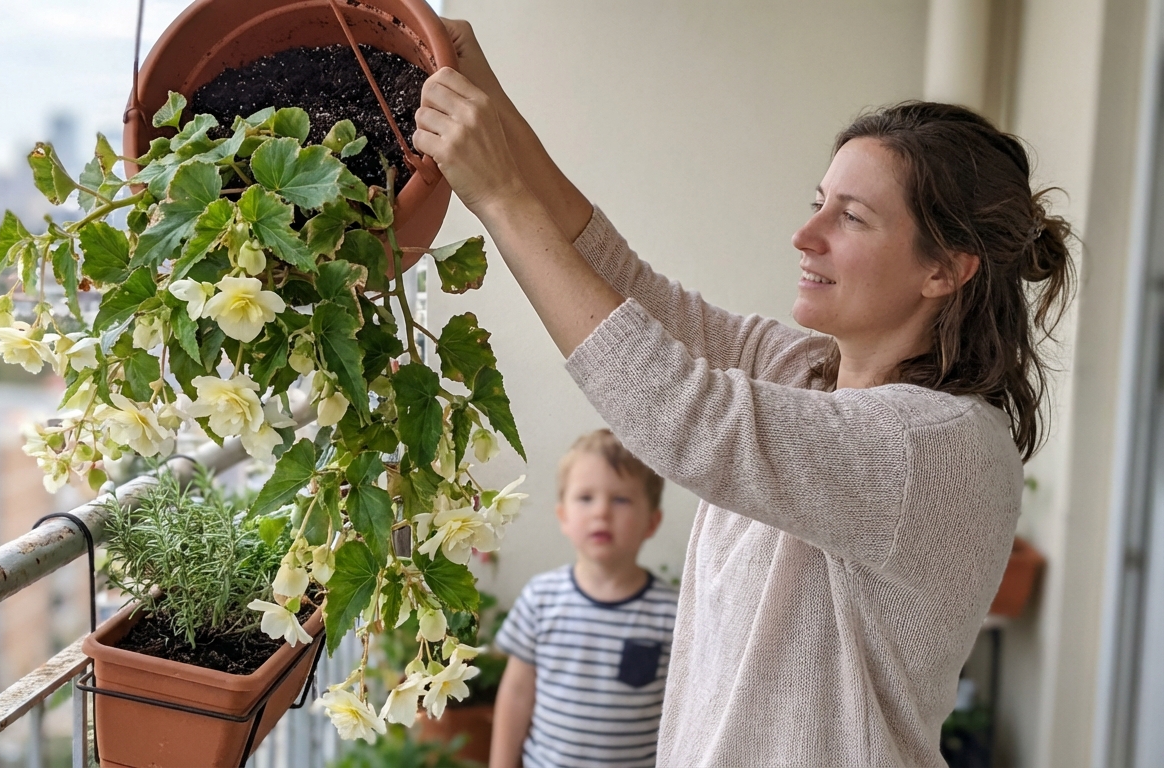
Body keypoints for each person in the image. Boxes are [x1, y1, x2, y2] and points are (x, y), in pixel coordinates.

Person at [412, 18, 1075, 768]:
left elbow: (684, 417)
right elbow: (622, 281)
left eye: (851, 218)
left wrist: (501, 198)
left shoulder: (937, 443)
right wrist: (477, 80)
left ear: (944, 269)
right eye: (819, 201)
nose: (806, 234)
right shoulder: (803, 369)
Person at [490, 430, 678, 768]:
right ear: (563, 515)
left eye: (621, 499)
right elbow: (516, 695)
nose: (601, 512)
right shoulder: (540, 599)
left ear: (652, 522)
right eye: (586, 498)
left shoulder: (672, 614)